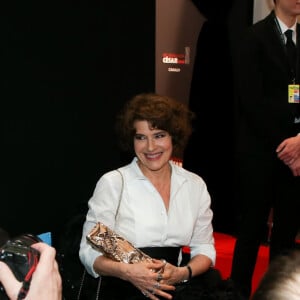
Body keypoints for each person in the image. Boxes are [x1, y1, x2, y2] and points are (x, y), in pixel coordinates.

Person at [79, 92, 221, 300]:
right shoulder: (114, 183)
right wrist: (127, 272)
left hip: (175, 290)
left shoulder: (194, 185)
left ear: (174, 136)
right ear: (132, 140)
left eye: (159, 135)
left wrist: (183, 273)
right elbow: (88, 253)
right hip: (122, 290)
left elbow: (205, 247)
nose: (151, 147)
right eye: (141, 137)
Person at [230, 0, 300, 299]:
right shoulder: (254, 37)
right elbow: (250, 100)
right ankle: (237, 293)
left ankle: (277, 293)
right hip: (260, 150)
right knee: (252, 228)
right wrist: (285, 146)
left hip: (296, 150)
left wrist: (299, 141)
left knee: (286, 231)